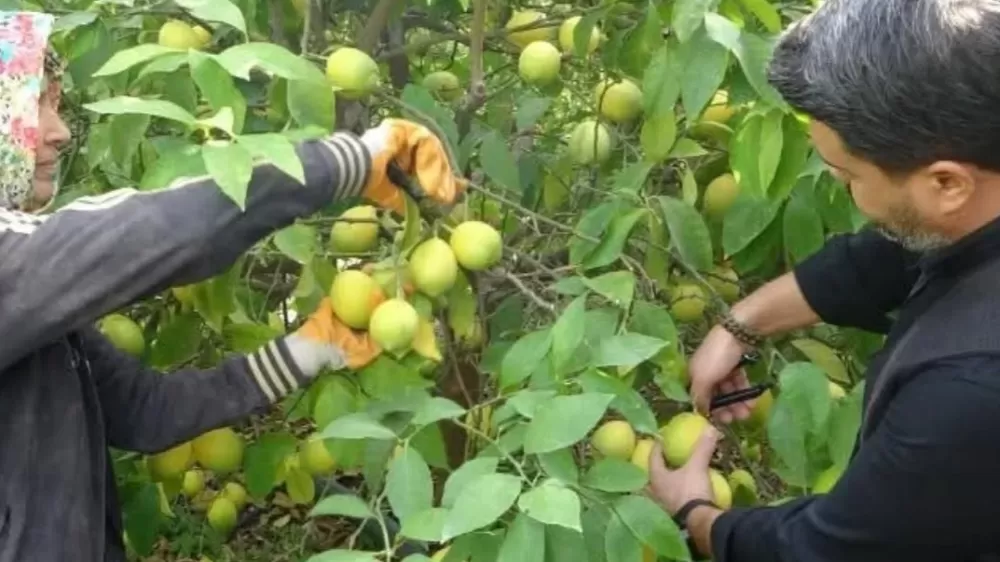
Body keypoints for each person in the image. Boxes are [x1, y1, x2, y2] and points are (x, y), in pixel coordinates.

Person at [0, 10, 463, 562]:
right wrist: (353, 159)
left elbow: (144, 412)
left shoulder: (32, 311)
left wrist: (311, 349)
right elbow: (168, 229)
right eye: (37, 107)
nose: (61, 131)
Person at [645, 0, 1000, 560]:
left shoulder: (968, 390)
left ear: (948, 183)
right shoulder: (979, 185)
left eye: (849, 176)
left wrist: (694, 513)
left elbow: (822, 550)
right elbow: (884, 258)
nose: (839, 190)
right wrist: (738, 327)